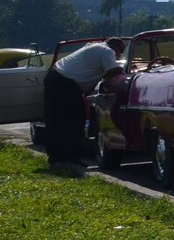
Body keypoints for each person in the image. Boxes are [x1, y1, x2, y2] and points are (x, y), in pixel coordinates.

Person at [44, 37, 128, 166]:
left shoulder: (93, 46)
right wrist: (124, 70)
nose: (119, 55)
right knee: (75, 121)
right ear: (115, 46)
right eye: (120, 51)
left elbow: (90, 76)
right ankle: (70, 158)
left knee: (56, 120)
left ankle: (55, 156)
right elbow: (113, 70)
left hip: (55, 77)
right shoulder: (106, 51)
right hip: (65, 83)